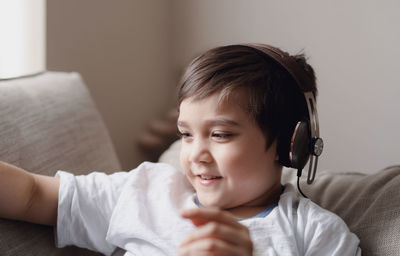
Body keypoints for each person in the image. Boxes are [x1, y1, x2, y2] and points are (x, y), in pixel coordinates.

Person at [0, 44, 361, 256]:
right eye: (186, 134)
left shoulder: (314, 234)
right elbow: (32, 194)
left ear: (289, 144)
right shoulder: (147, 191)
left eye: (219, 134)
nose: (196, 154)